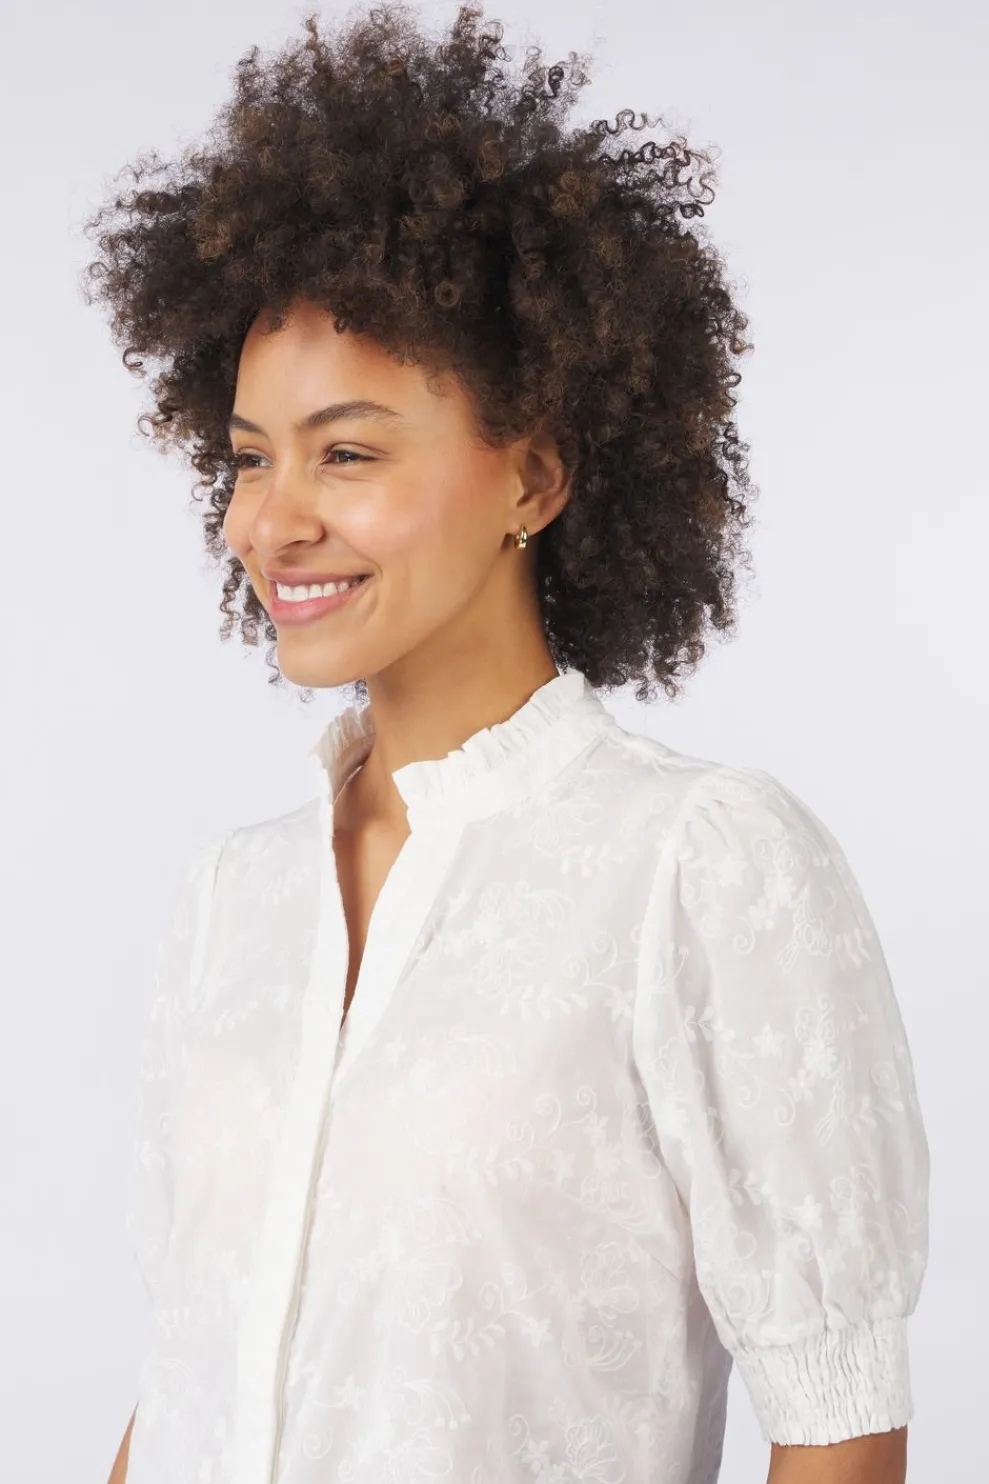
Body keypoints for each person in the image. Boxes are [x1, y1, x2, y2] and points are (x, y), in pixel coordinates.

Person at [84, 6, 929, 1483]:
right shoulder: (234, 899)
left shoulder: (695, 869)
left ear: (532, 475)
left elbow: (839, 1419)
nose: (270, 521)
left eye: (347, 452)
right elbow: (191, 1381)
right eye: (250, 458)